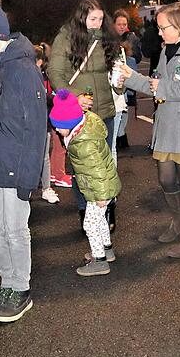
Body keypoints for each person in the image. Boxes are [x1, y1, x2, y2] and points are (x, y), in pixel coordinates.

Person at [0, 4, 47, 324]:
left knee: (16, 229)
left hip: (16, 165)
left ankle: (21, 287)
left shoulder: (22, 69)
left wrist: (30, 175)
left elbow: (36, 127)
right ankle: (7, 283)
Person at [118, 2, 180, 258]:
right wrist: (129, 76)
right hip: (166, 127)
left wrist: (162, 87)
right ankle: (177, 222)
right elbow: (154, 85)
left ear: (179, 24)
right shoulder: (165, 51)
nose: (159, 33)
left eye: (163, 27)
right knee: (166, 179)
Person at [48, 0, 120, 230]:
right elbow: (55, 73)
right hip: (79, 116)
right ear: (81, 18)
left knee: (105, 164)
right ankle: (85, 211)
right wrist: (74, 97)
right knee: (82, 167)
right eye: (92, 19)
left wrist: (120, 81)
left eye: (100, 19)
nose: (97, 23)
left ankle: (107, 209)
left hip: (106, 111)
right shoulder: (66, 37)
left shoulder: (107, 38)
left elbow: (115, 73)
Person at [49, 89, 122, 276]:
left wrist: (101, 196)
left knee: (90, 224)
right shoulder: (84, 126)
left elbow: (97, 172)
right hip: (103, 187)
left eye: (58, 126)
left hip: (99, 190)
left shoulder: (84, 145)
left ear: (70, 123)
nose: (57, 130)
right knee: (100, 219)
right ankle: (106, 249)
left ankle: (99, 261)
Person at [35, 43, 60, 204]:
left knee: (44, 156)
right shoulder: (28, 75)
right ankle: (32, 188)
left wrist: (54, 98)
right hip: (31, 122)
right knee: (37, 156)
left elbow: (47, 95)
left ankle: (46, 188)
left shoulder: (45, 75)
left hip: (43, 121)